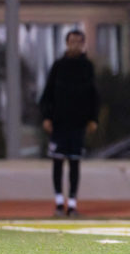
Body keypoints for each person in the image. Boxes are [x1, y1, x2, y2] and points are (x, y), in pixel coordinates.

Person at [39, 29, 99, 218]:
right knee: (57, 161)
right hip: (59, 123)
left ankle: (72, 204)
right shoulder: (58, 66)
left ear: (83, 44)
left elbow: (93, 96)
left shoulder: (87, 67)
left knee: (74, 162)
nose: (75, 45)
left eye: (79, 42)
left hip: (78, 124)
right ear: (67, 43)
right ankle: (59, 202)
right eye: (72, 41)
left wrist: (93, 119)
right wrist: (47, 117)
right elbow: (47, 94)